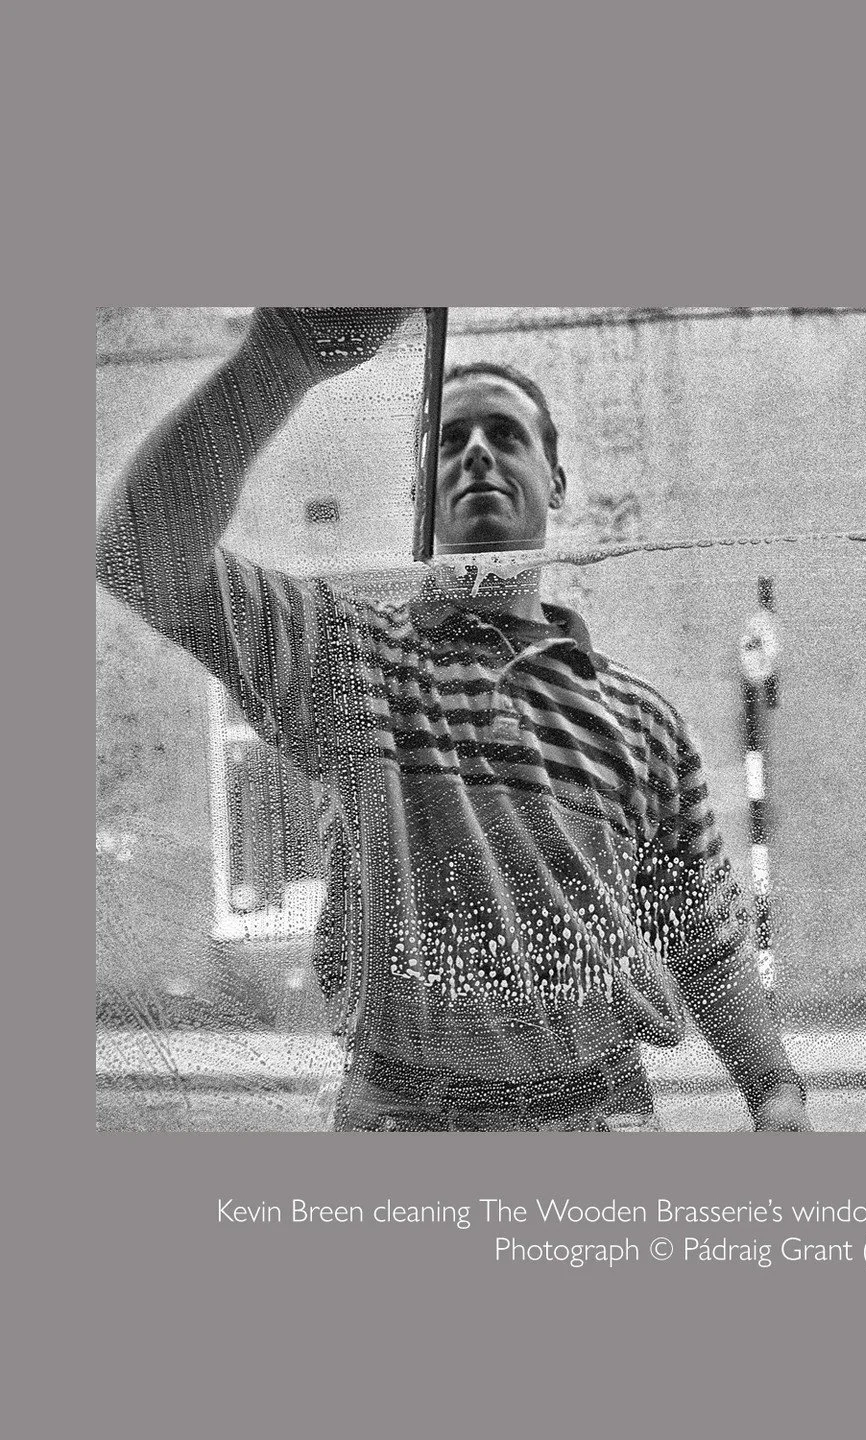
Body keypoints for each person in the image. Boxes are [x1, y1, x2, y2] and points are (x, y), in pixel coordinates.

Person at [96, 307, 812, 1132]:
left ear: (557, 484)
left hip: (598, 1118)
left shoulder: (641, 719)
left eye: (506, 435)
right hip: (403, 1118)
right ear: (420, 496)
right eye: (448, 440)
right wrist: (282, 356)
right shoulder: (351, 659)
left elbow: (703, 929)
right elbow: (137, 553)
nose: (476, 451)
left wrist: (775, 1092)